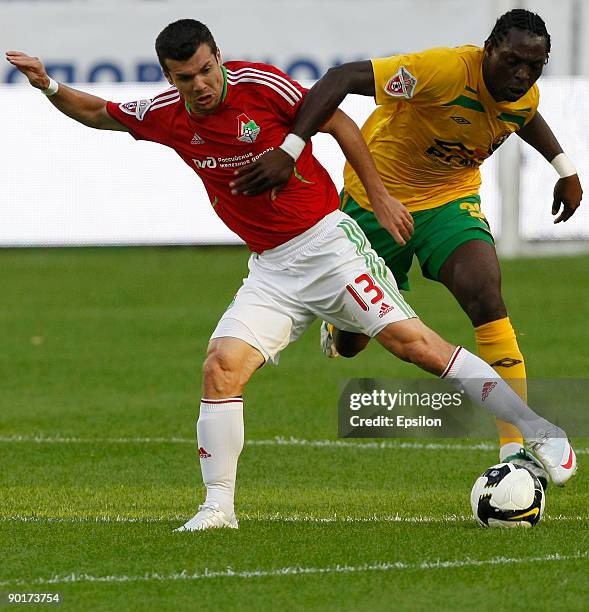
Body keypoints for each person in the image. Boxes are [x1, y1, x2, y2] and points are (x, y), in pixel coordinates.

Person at [6, 18, 576, 531]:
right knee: (220, 367)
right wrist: (49, 86)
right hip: (272, 270)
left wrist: (376, 198)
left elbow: (343, 123)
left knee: (417, 347)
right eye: (187, 77)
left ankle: (541, 430)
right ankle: (217, 508)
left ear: (219, 58)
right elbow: (98, 114)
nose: (201, 84)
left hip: (330, 248)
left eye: (208, 69)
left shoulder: (261, 87)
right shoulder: (167, 115)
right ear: (169, 77)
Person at [230, 9, 583, 489]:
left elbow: (525, 116)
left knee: (486, 294)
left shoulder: (521, 92)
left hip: (449, 203)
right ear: (489, 50)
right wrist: (292, 147)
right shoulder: (439, 71)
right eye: (513, 61)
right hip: (377, 201)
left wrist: (565, 169)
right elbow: (341, 77)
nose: (522, 75)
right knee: (357, 341)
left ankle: (515, 450)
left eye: (534, 66)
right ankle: (343, 329)